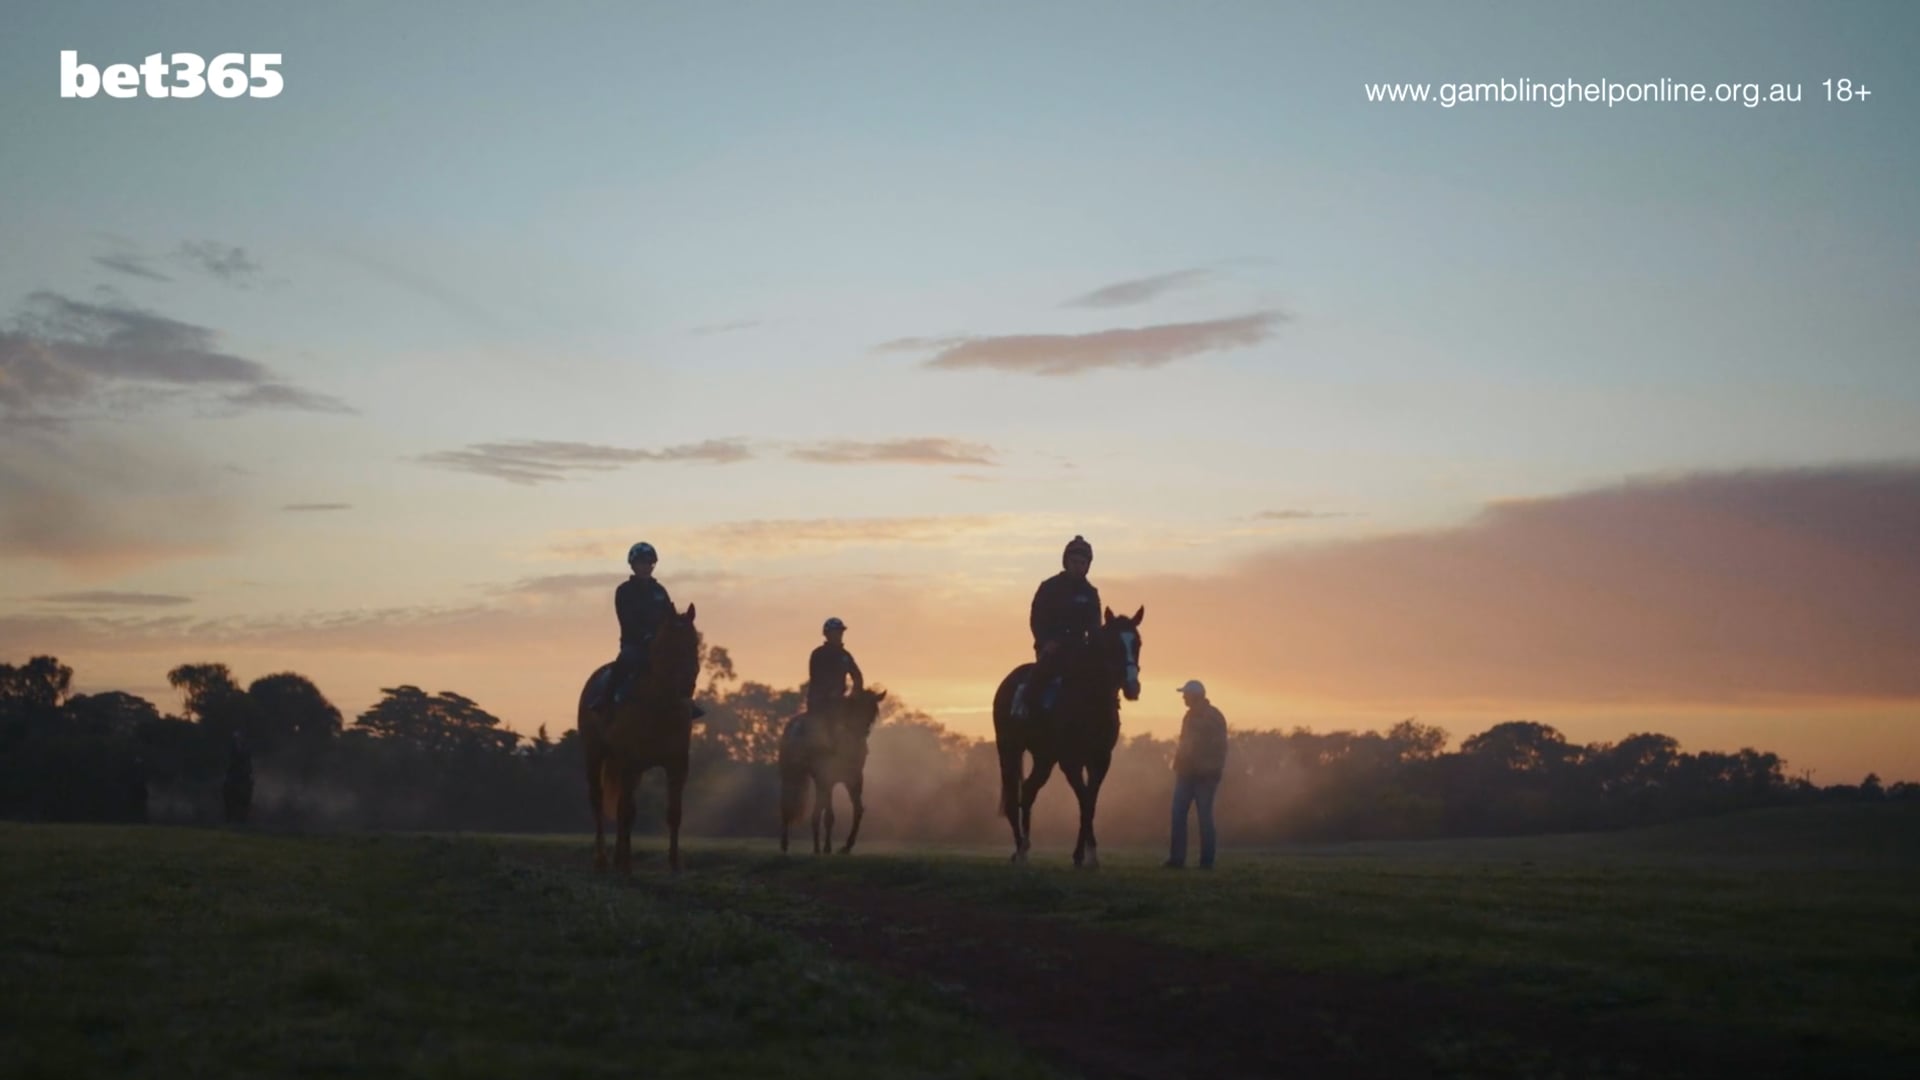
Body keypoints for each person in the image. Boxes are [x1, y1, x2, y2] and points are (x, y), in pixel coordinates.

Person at [589, 542, 702, 717]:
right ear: (633, 565)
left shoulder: (660, 591)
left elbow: (668, 617)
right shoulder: (624, 591)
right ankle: (606, 700)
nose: (646, 567)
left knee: (682, 665)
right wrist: (645, 637)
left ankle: (686, 700)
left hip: (660, 646)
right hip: (635, 645)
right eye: (642, 563)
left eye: (649, 563)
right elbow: (626, 620)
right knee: (625, 660)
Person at [1010, 535, 1101, 720]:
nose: (1078, 566)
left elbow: (1095, 626)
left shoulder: (1090, 593)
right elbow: (1037, 619)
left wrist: (1094, 647)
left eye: (1082, 563)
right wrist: (1045, 642)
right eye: (1074, 562)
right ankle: (1024, 708)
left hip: (1079, 649)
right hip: (1052, 649)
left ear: (1088, 565)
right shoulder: (1049, 588)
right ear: (1066, 562)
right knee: (1041, 677)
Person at [1166, 679, 1227, 869]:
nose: (1183, 698)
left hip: (1204, 775)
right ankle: (1177, 859)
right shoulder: (1191, 716)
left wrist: (1210, 768)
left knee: (1204, 817)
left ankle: (1206, 861)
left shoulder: (1212, 717)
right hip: (1186, 773)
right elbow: (1185, 743)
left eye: (1185, 694)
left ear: (1194, 696)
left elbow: (1219, 746)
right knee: (1179, 815)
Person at [806, 617, 864, 716]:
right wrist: (830, 692)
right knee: (817, 723)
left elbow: (857, 676)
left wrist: (855, 693)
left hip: (839, 703)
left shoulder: (845, 655)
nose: (838, 635)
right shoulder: (818, 654)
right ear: (827, 634)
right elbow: (817, 677)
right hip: (819, 704)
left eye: (840, 632)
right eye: (835, 632)